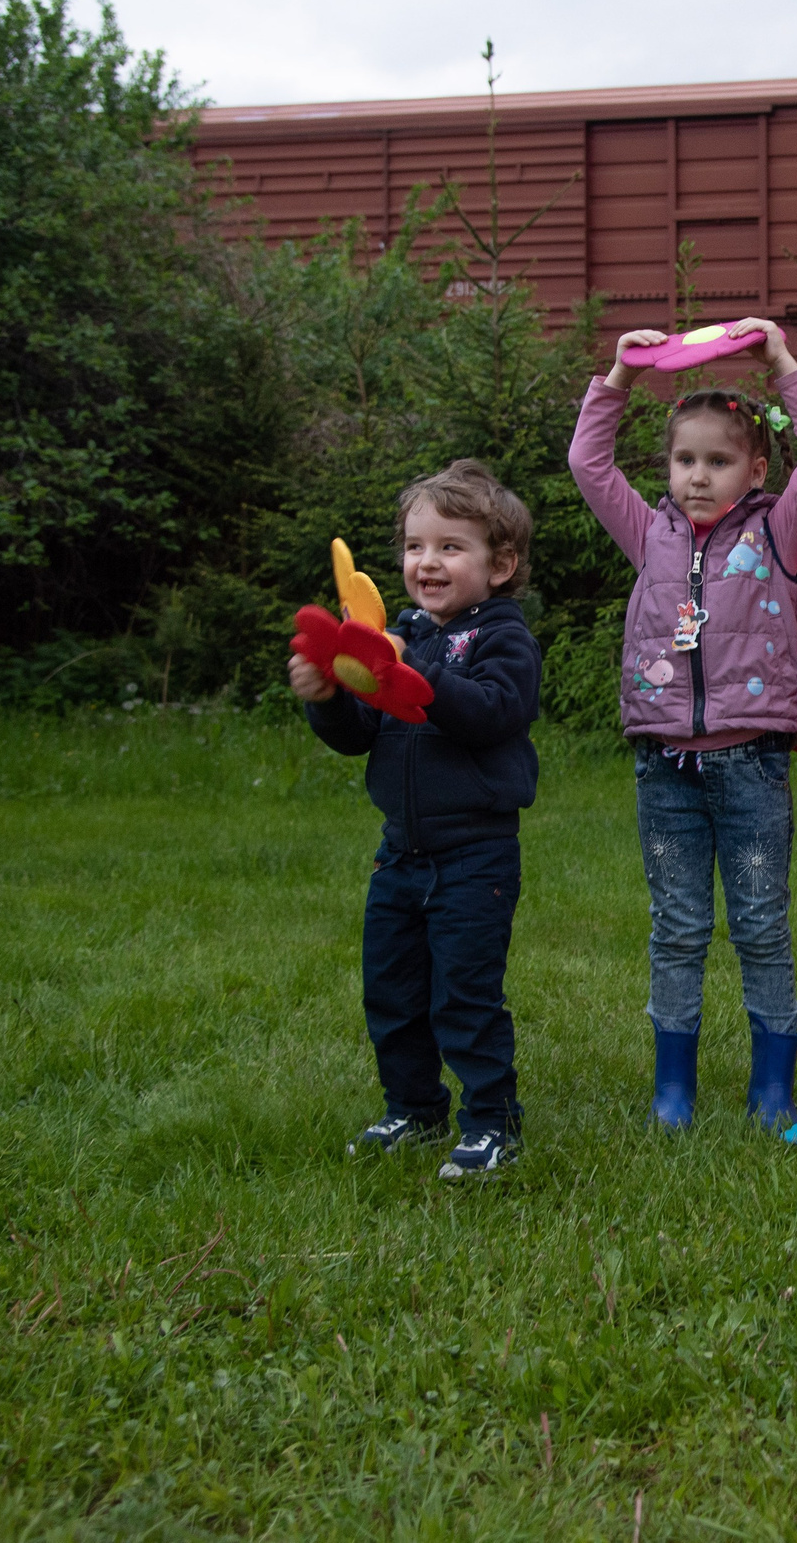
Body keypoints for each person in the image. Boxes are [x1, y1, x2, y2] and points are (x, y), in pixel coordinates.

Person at [567, 319, 797, 1130]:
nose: (696, 476)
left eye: (717, 461)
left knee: (760, 923)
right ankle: (673, 1092)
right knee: (678, 927)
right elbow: (588, 462)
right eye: (685, 460)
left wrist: (784, 364)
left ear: (754, 469)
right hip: (664, 769)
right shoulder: (647, 531)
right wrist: (616, 374)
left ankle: (771, 1088)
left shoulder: (778, 534)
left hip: (749, 763)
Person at [291, 460, 543, 1179]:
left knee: (464, 994)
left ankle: (493, 1122)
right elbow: (359, 732)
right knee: (393, 990)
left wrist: (416, 675)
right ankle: (414, 1107)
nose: (426, 562)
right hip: (399, 854)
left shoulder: (503, 638)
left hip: (475, 856)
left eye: (449, 546)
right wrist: (330, 695)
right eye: (414, 545)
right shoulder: (399, 633)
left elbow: (494, 710)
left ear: (500, 565)